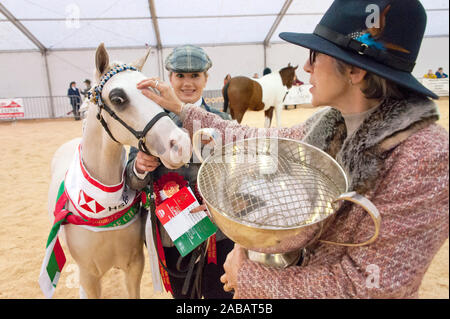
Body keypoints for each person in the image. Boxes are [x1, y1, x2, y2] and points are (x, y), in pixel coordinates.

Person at [135, 0, 448, 299]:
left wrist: (246, 276)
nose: (306, 66)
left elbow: (366, 287)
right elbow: (253, 142)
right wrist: (182, 109)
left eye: (316, 54)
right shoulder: (327, 125)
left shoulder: (426, 157)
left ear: (355, 71)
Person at [125, 44, 233, 299]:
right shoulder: (148, 122)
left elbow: (235, 177)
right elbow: (131, 181)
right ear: (169, 78)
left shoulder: (222, 120)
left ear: (206, 78)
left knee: (223, 296)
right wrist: (139, 167)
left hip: (217, 235)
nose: (187, 83)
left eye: (195, 75)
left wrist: (222, 201)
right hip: (171, 236)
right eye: (180, 76)